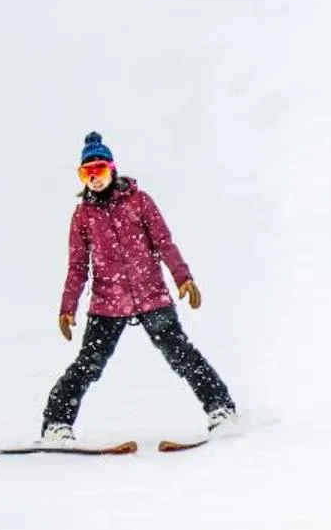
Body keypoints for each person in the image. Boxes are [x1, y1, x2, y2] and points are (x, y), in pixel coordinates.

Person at [42, 132, 236, 441]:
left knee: (181, 354)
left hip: (152, 297)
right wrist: (68, 308)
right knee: (89, 364)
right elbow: (77, 267)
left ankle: (221, 409)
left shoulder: (139, 202)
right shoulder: (83, 216)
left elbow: (164, 243)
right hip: (107, 303)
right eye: (86, 173)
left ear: (112, 168)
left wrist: (183, 277)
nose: (94, 178)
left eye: (99, 169)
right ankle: (56, 424)